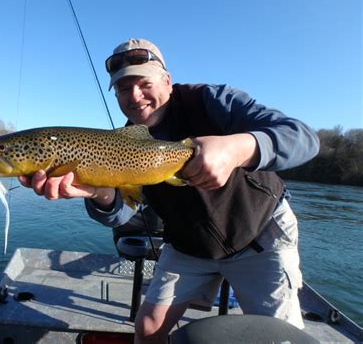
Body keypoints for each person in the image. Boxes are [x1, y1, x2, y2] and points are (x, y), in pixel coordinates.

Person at [19, 38, 320, 343]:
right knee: (148, 327)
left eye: (143, 83)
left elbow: (303, 138)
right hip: (188, 242)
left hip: (259, 235)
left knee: (280, 338)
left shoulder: (212, 100)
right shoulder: (122, 142)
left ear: (167, 81)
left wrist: (236, 148)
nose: (134, 97)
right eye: (123, 88)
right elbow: (124, 211)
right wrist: (98, 192)